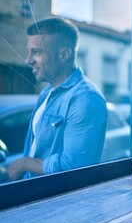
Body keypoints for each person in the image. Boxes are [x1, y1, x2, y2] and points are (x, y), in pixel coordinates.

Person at [7, 17, 108, 180]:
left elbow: (75, 165)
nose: (28, 60)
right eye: (29, 51)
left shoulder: (86, 98)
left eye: (37, 52)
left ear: (64, 54)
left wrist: (24, 164)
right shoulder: (47, 93)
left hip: (57, 202)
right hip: (32, 195)